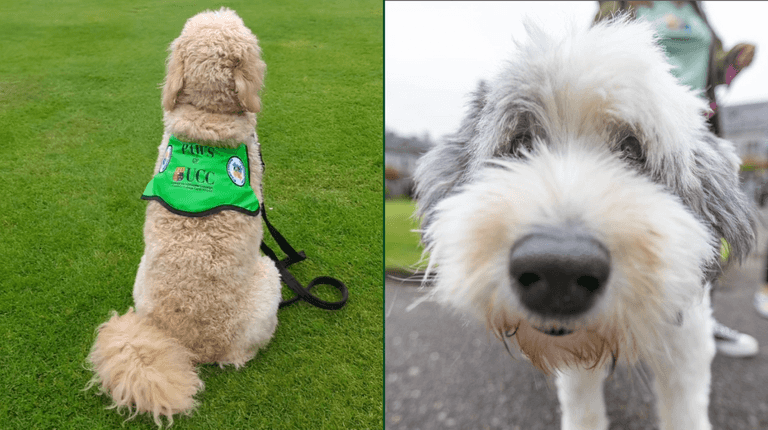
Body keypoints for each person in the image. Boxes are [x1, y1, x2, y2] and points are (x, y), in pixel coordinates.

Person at [595, 1, 758, 357]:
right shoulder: (619, 5)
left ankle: (699, 322)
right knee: (620, 226)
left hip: (697, 131)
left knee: (704, 233)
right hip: (633, 134)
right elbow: (593, 60)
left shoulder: (695, 11)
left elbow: (714, 76)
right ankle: (601, 324)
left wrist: (732, 63)